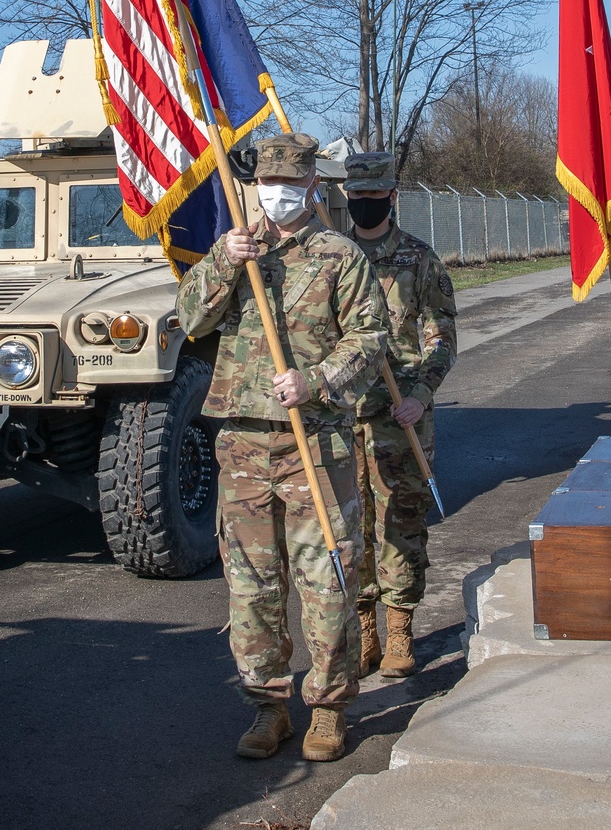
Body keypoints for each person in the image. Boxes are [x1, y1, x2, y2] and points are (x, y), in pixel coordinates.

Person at [176, 132, 388, 763]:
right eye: (269, 185)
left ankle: (327, 708)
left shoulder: (338, 256)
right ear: (254, 188)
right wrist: (219, 261)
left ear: (312, 189)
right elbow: (190, 321)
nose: (279, 196)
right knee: (251, 584)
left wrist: (316, 379)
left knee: (326, 579)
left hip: (315, 444)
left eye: (292, 186)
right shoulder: (234, 252)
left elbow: (372, 339)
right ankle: (269, 707)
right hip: (242, 442)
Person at [343, 151, 458, 679]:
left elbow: (441, 336)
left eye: (374, 197)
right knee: (353, 524)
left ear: (392, 197)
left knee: (401, 521)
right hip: (344, 416)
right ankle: (363, 626)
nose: (365, 206)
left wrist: (421, 392)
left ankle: (399, 629)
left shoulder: (419, 259)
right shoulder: (334, 259)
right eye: (357, 197)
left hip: (400, 415)